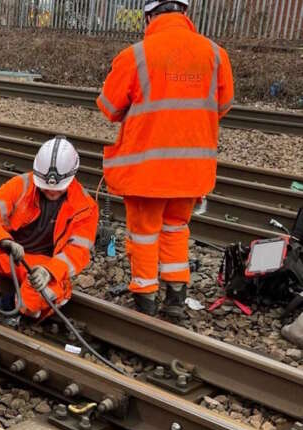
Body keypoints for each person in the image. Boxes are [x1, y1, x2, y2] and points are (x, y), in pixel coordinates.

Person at [96, 0, 234, 317]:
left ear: (149, 17)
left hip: (146, 171)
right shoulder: (215, 53)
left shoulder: (136, 55)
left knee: (144, 234)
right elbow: (223, 105)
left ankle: (145, 300)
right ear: (186, 14)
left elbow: (110, 108)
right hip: (191, 170)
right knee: (175, 229)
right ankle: (175, 298)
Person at [0, 136, 98, 318]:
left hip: (41, 265)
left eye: (58, 188)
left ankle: (11, 307)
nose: (51, 191)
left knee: (55, 291)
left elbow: (77, 251)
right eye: (46, 186)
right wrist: (4, 241)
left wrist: (49, 271)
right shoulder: (21, 185)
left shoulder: (85, 207)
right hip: (8, 255)